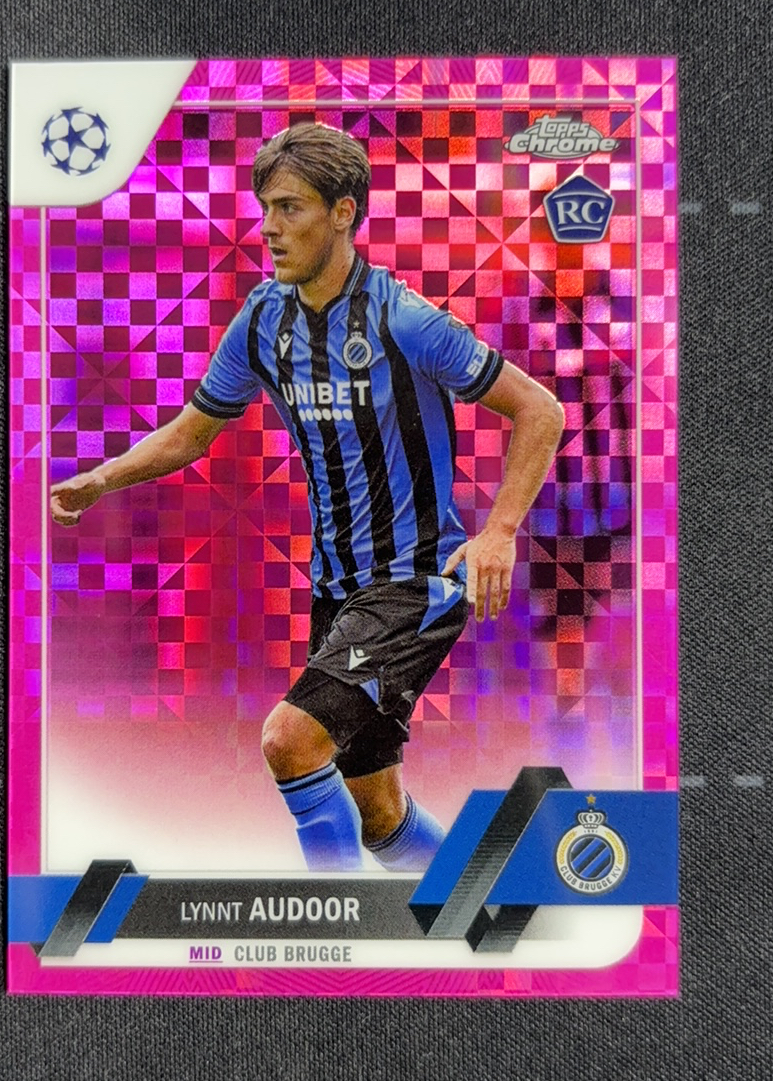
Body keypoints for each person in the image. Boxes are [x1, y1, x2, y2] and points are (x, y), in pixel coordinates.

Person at [51, 123, 564, 873]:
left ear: (344, 212)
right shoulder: (264, 320)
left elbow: (540, 410)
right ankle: (486, 902)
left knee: (289, 740)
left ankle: (334, 922)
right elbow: (192, 433)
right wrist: (104, 478)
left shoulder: (404, 319)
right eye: (265, 208)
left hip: (415, 582)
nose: (269, 228)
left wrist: (499, 531)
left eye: (290, 208)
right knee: (378, 811)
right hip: (336, 593)